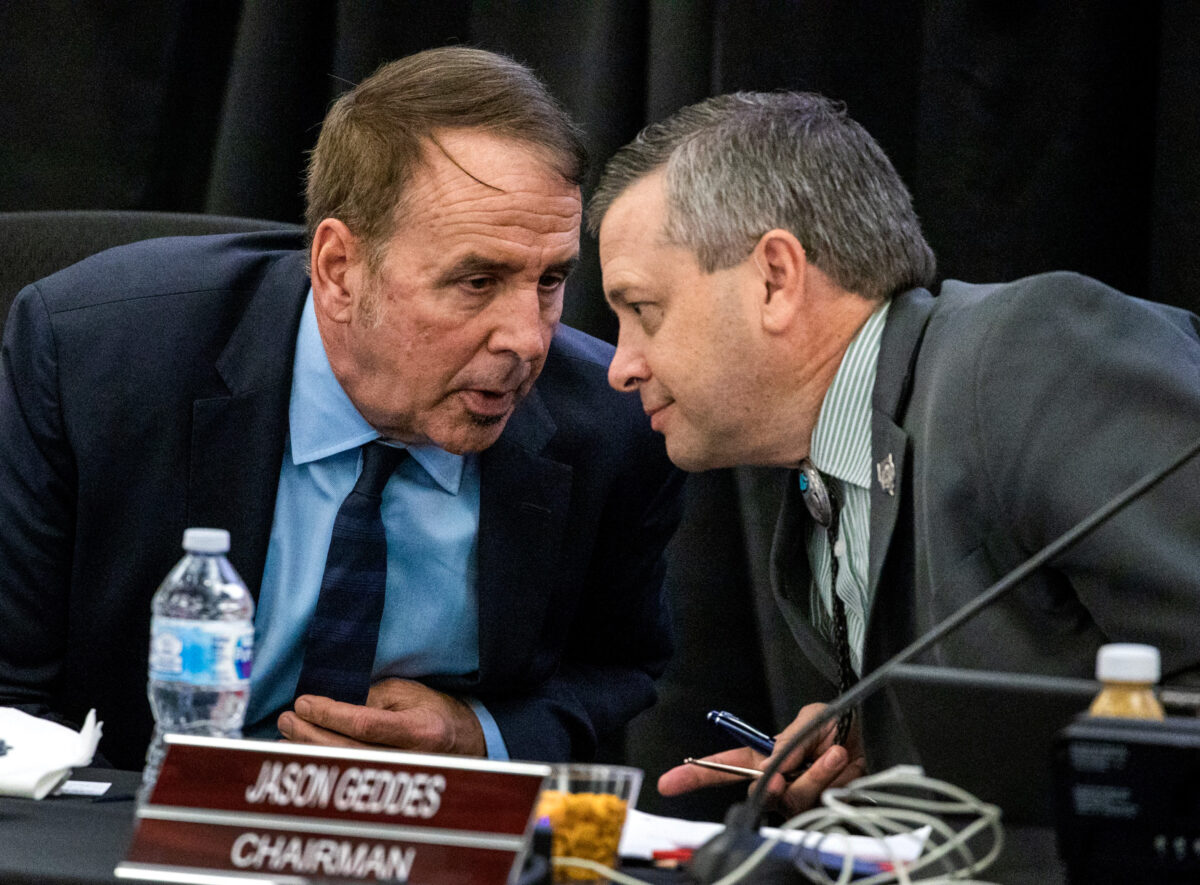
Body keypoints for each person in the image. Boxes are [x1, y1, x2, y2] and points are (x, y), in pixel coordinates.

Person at [0, 47, 682, 772]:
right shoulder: (94, 360)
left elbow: (619, 667)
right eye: (477, 280)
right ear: (338, 270)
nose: (526, 338)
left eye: (549, 281)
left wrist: (479, 734)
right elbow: (11, 687)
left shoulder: (611, 421)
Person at [587, 90, 1200, 816]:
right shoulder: (817, 490)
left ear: (776, 279)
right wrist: (885, 749)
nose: (619, 366)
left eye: (642, 311)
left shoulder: (1024, 354)